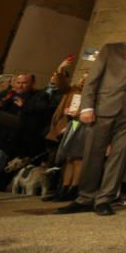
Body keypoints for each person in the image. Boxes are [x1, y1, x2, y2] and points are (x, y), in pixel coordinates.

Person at [57, 21, 126, 216]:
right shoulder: (111, 49)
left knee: (118, 157)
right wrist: (87, 107)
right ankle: (85, 197)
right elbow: (93, 80)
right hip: (103, 109)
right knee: (92, 154)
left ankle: (105, 198)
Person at [42, 73, 88, 201]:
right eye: (82, 77)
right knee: (69, 158)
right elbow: (61, 84)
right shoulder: (74, 91)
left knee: (78, 158)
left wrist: (80, 113)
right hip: (72, 124)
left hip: (84, 126)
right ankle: (64, 188)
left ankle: (74, 189)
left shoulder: (94, 93)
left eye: (87, 77)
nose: (83, 80)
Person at [0, 74, 51, 173]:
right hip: (2, 137)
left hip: (24, 138)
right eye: (18, 83)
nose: (20, 86)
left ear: (32, 84)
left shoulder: (41, 95)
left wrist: (24, 105)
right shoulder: (8, 93)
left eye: (24, 83)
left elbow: (42, 109)